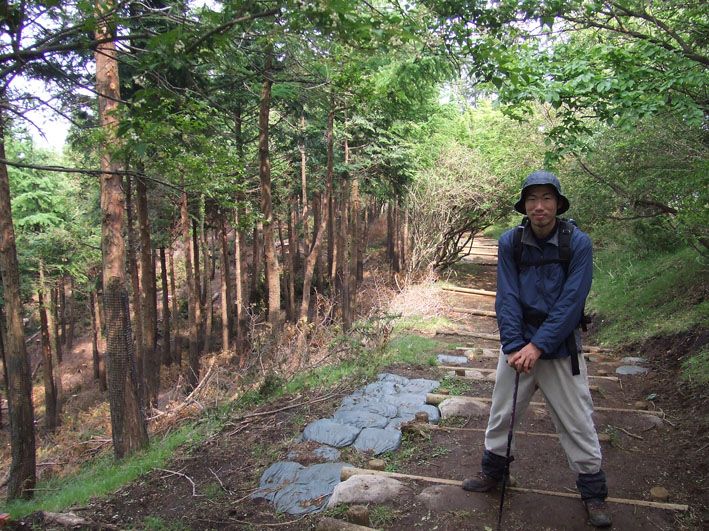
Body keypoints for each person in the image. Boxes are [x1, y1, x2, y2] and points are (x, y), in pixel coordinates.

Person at [462, 171, 612, 527]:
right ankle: (494, 473)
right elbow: (508, 296)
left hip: (560, 348)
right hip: (517, 348)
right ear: (524, 205)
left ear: (558, 203)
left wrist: (538, 346)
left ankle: (593, 493)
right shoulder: (510, 242)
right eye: (532, 199)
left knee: (577, 421)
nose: (539, 206)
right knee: (502, 413)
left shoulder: (577, 243)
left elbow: (572, 303)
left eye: (546, 199)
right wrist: (515, 346)